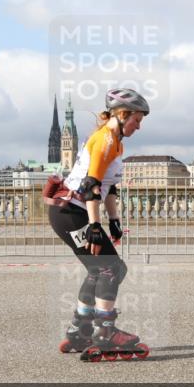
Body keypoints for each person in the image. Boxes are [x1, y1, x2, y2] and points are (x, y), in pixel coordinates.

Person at [44, 88, 151, 362]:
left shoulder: (115, 141)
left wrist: (114, 220)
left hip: (71, 211)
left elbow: (109, 186)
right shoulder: (104, 140)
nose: (139, 126)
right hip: (72, 212)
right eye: (137, 120)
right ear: (122, 114)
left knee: (98, 270)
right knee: (110, 268)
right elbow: (91, 186)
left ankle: (79, 330)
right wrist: (95, 225)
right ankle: (105, 331)